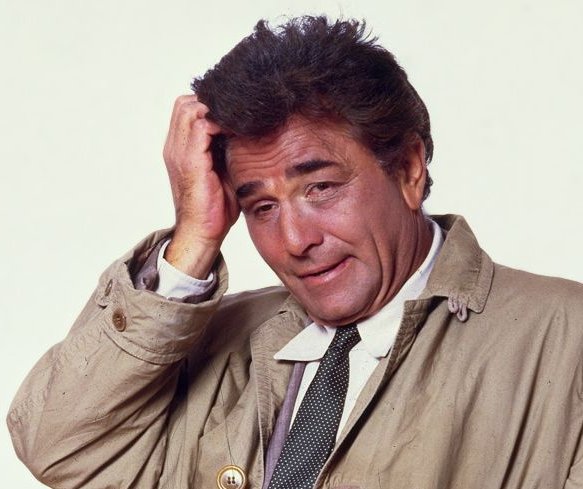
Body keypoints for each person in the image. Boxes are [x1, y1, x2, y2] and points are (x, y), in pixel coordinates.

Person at [7, 15, 583, 489]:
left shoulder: (563, 338)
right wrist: (194, 238)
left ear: (409, 169)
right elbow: (60, 447)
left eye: (321, 188)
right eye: (261, 207)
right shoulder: (220, 340)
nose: (294, 240)